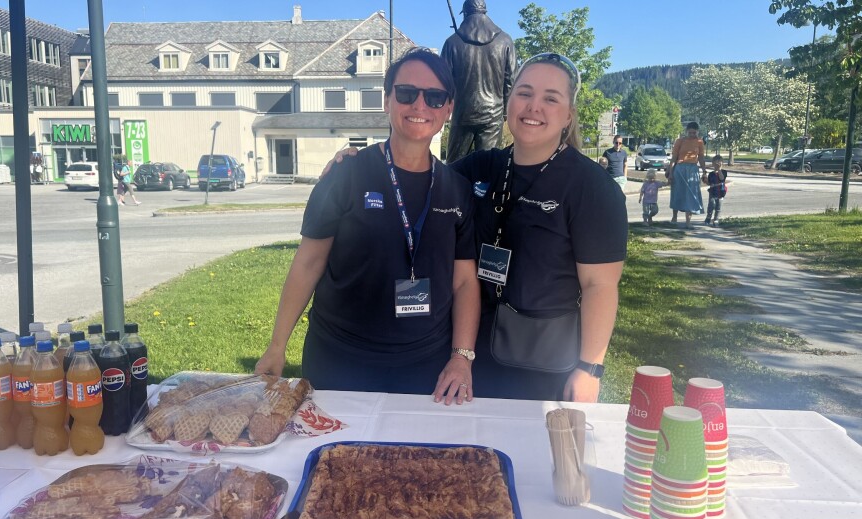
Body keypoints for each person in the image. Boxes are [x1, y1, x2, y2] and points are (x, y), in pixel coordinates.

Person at [323, 53, 628, 403]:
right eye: (524, 93)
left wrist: (589, 369)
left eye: (550, 98)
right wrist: (361, 162)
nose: (534, 107)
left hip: (540, 363)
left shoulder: (592, 188)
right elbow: (419, 175)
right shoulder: (481, 166)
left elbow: (599, 286)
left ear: (569, 114)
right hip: (466, 352)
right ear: (509, 101)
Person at [255, 48, 480, 406]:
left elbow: (465, 280)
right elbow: (309, 262)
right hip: (341, 359)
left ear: (448, 108)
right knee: (335, 457)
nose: (420, 105)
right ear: (387, 99)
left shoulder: (457, 188)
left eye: (435, 97)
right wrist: (277, 345)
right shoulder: (346, 174)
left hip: (425, 364)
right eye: (407, 93)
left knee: (417, 461)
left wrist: (461, 357)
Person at [440, 0, 516, 162]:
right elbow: (510, 80)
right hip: (493, 114)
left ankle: (453, 188)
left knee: (455, 167)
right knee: (489, 167)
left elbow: (442, 82)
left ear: (465, 14)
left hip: (462, 114)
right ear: (485, 12)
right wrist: (505, 111)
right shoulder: (505, 41)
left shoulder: (452, 42)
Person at [667, 122, 706, 227]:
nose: (692, 134)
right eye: (690, 132)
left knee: (691, 194)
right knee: (677, 192)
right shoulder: (680, 141)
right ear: (686, 131)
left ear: (697, 131)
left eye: (694, 132)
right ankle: (674, 217)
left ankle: (688, 221)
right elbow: (674, 158)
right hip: (680, 169)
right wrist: (670, 172)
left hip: (693, 169)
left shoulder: (699, 142)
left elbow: (701, 158)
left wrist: (704, 172)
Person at [704, 155, 728, 225]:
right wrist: (705, 180)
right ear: (713, 164)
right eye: (715, 163)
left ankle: (716, 219)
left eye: (719, 163)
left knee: (718, 206)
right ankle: (708, 217)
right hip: (712, 191)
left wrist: (719, 169)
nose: (717, 165)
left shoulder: (724, 172)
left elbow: (721, 178)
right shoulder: (711, 174)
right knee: (711, 204)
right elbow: (709, 183)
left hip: (721, 191)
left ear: (722, 163)